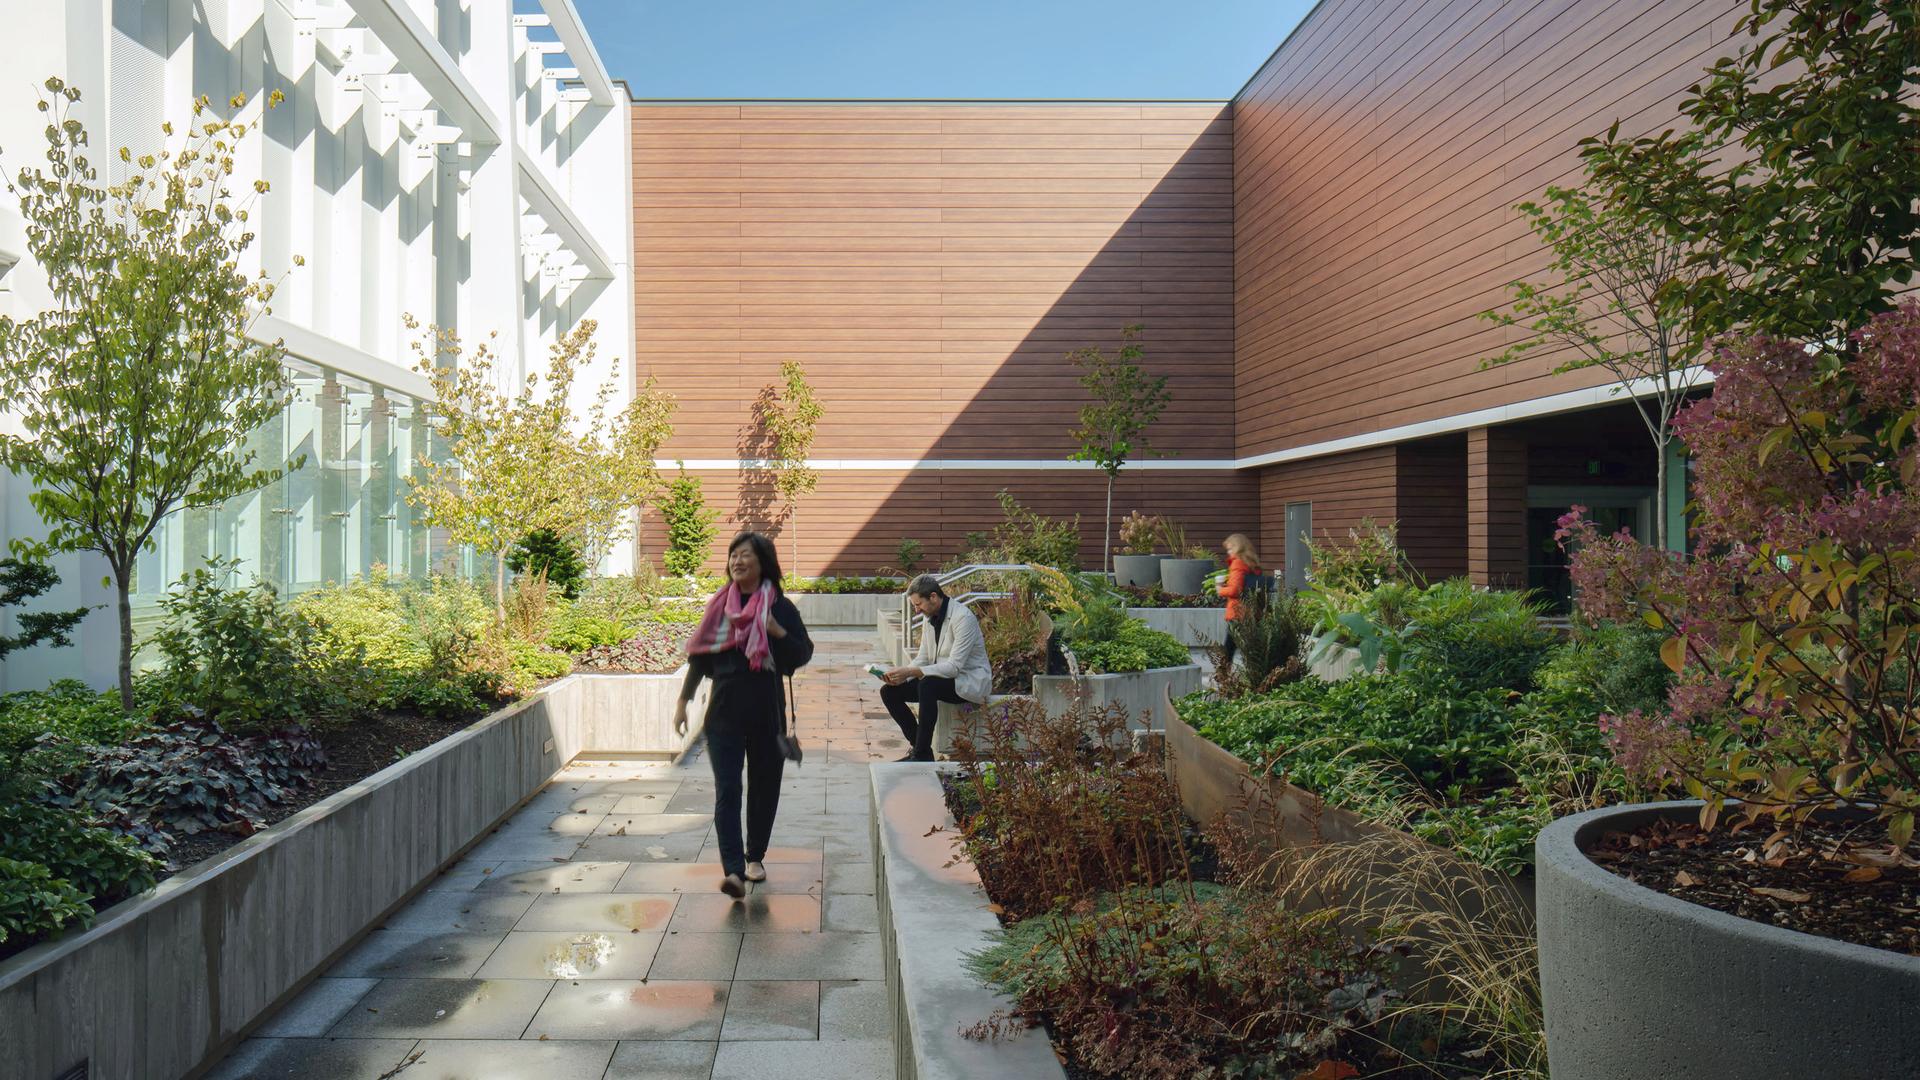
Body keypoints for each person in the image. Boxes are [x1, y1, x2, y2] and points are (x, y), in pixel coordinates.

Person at [674, 531, 813, 899]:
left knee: (764, 788)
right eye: (733, 555)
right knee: (728, 790)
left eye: (745, 555)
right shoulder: (719, 607)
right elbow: (700, 658)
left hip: (767, 713)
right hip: (723, 714)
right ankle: (733, 871)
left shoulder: (780, 607)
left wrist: (776, 631)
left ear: (762, 561)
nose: (737, 561)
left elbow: (801, 654)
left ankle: (756, 857)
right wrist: (683, 702)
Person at [880, 574, 992, 762]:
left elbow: (954, 667)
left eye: (918, 604)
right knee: (889, 692)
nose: (916, 611)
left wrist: (912, 672)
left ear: (933, 597)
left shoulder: (963, 618)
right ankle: (920, 749)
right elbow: (923, 657)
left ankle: (921, 753)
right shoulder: (929, 617)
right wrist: (901, 675)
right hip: (944, 679)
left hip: (968, 681)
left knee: (927, 685)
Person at [1218, 533, 1262, 668]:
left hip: (1237, 612)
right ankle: (1257, 673)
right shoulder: (1252, 564)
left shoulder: (1238, 564)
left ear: (1238, 548)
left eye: (1230, 549)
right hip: (1251, 611)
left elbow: (1234, 591)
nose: (1229, 553)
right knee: (1250, 648)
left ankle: (1224, 677)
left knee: (1229, 649)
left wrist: (1220, 589)